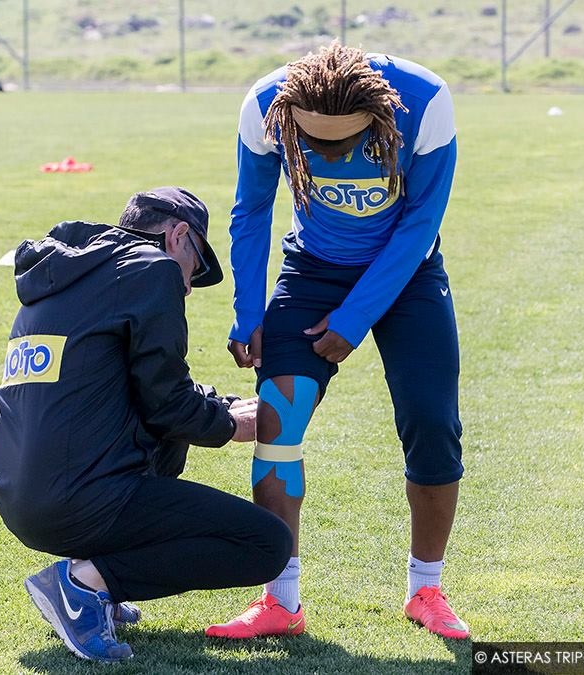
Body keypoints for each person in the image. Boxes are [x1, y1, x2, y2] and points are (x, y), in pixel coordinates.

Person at [207, 43, 469, 640]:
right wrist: (248, 311)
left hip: (409, 276)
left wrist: (353, 321)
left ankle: (425, 588)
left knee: (432, 422)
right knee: (278, 421)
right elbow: (251, 209)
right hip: (311, 273)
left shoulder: (425, 102)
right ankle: (280, 600)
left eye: (344, 146)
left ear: (377, 118)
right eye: (315, 146)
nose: (328, 156)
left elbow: (420, 223)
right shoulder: (265, 104)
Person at [0, 187, 293, 663]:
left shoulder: (68, 271)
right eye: (194, 268)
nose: (188, 286)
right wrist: (230, 425)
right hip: (80, 498)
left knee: (169, 441)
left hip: (18, 499)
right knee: (266, 544)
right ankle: (84, 585)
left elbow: (141, 391)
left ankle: (94, 579)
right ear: (178, 236)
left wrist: (220, 405)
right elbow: (167, 403)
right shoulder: (154, 269)